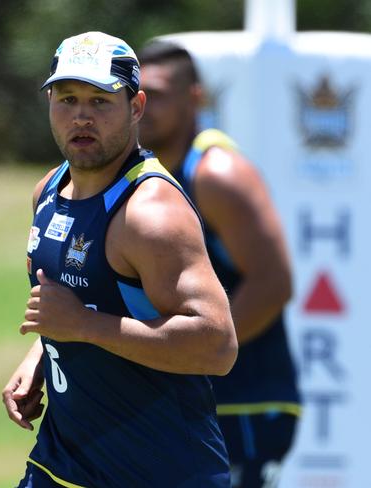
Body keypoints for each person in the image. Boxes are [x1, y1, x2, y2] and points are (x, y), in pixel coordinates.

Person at [2, 31, 238, 488]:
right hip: (63, 463)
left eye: (100, 101)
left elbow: (217, 343)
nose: (81, 116)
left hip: (159, 472)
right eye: (67, 99)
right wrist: (43, 354)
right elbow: (87, 301)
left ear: (136, 107)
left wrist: (82, 328)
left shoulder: (150, 214)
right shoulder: (50, 190)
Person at [136, 39, 301, 488]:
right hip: (184, 399)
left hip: (244, 399)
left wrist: (193, 353)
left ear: (196, 97)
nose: (144, 107)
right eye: (136, 94)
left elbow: (274, 283)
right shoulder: (140, 175)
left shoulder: (215, 173)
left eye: (160, 94)